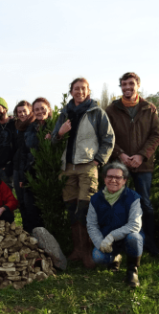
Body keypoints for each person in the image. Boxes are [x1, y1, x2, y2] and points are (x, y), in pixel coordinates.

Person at [51, 77, 115, 269]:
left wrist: (98, 160)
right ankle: (78, 250)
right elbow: (53, 141)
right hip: (67, 167)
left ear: (88, 91)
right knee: (72, 210)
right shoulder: (64, 113)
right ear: (71, 92)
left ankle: (87, 251)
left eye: (83, 88)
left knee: (86, 210)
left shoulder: (96, 112)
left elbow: (108, 138)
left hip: (87, 166)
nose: (79, 91)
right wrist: (60, 133)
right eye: (76, 88)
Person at [106, 72, 159, 256]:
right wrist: (120, 155)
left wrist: (141, 155)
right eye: (123, 85)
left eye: (131, 84)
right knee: (120, 203)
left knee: (145, 203)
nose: (127, 88)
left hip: (142, 165)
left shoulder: (149, 109)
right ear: (120, 87)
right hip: (119, 165)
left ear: (138, 85)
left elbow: (156, 135)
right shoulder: (111, 109)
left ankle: (150, 243)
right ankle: (120, 246)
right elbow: (107, 135)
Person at [87, 162, 143, 288]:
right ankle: (115, 258)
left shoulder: (133, 197)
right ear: (104, 178)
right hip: (106, 242)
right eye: (109, 176)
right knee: (98, 257)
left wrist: (112, 236)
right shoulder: (95, 199)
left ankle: (132, 270)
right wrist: (100, 242)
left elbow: (135, 225)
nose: (113, 180)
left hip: (126, 238)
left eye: (118, 177)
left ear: (124, 180)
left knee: (135, 238)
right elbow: (92, 225)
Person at [19, 98, 52, 233]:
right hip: (31, 174)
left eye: (42, 108)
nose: (40, 111)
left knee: (47, 210)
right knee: (31, 209)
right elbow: (24, 153)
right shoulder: (30, 129)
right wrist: (23, 175)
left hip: (49, 174)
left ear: (48, 109)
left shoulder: (55, 126)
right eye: (36, 109)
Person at [12, 100, 36, 231]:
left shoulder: (32, 126)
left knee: (29, 203)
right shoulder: (18, 126)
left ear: (30, 111)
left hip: (27, 169)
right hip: (17, 167)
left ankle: (32, 230)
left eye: (24, 111)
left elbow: (29, 154)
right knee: (21, 201)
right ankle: (26, 230)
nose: (21, 114)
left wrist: (23, 176)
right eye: (19, 112)